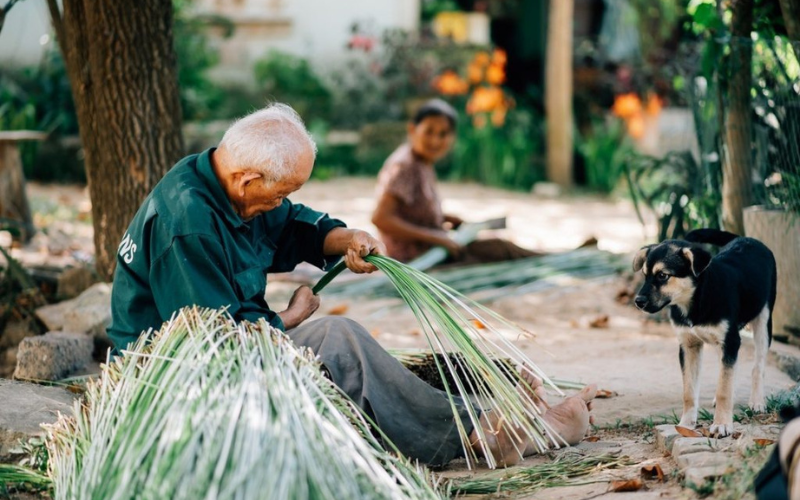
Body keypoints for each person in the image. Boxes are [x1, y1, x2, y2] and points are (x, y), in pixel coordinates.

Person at [107, 103, 595, 467]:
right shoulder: (188, 223)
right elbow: (216, 337)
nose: (282, 202)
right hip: (176, 373)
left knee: (346, 352)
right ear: (248, 179)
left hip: (226, 341)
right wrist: (290, 318)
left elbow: (292, 224)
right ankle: (482, 432)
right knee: (338, 341)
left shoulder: (226, 182)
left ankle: (489, 419)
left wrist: (345, 239)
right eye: (280, 193)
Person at [373, 99, 591, 264]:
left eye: (443, 134)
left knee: (497, 245)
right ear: (413, 130)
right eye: (429, 132)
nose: (435, 140)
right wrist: (437, 238)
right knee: (500, 248)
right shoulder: (405, 166)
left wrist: (445, 218)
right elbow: (381, 218)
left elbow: (409, 209)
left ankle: (562, 257)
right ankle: (564, 259)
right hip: (417, 259)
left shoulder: (421, 162)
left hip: (432, 246)